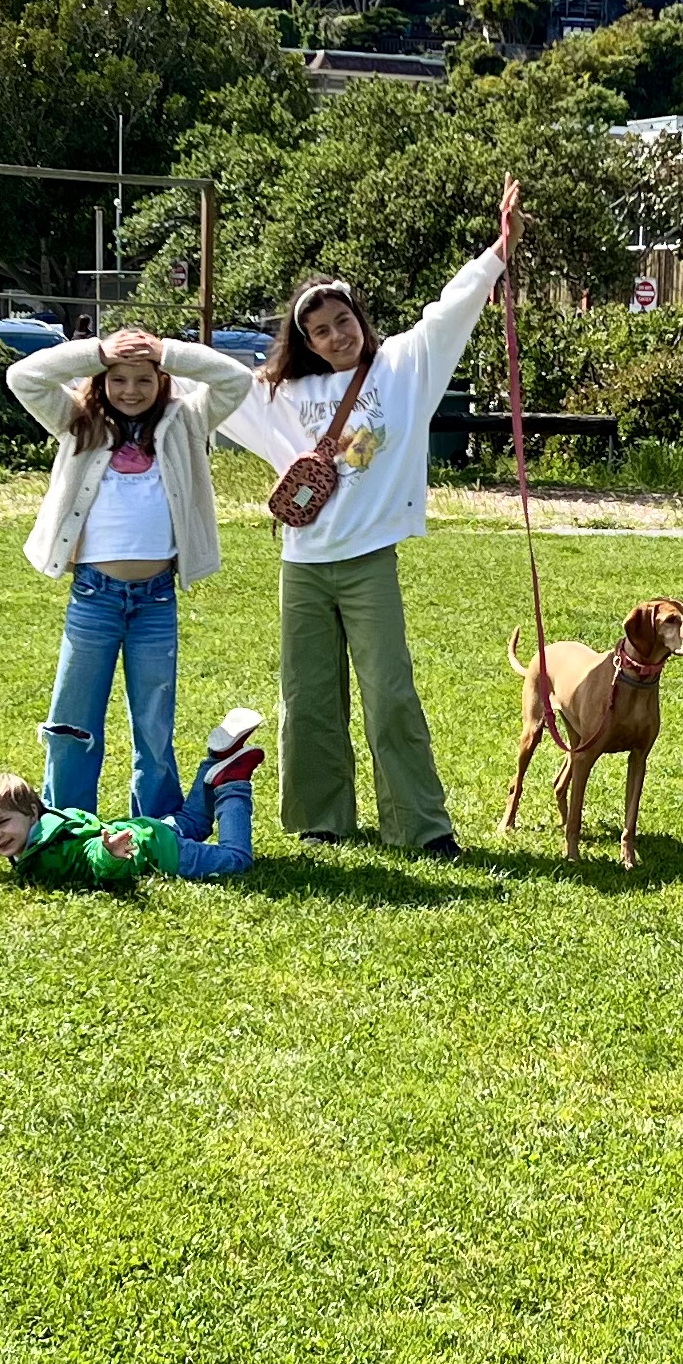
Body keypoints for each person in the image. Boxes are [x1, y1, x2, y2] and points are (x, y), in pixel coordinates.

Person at [220, 181, 523, 857]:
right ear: (305, 340)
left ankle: (421, 827)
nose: (336, 336)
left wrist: (499, 252)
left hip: (367, 563)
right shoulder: (286, 393)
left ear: (360, 315)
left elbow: (451, 310)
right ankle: (321, 818)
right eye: (321, 331)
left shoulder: (404, 366)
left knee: (389, 695)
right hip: (302, 566)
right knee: (308, 699)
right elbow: (211, 384)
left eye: (343, 321)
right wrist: (133, 354)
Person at [5, 323, 248, 820]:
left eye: (144, 379)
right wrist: (96, 351)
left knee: (154, 721)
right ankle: (66, 820)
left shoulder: (187, 421)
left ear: (163, 381)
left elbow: (235, 380)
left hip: (156, 600)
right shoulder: (77, 419)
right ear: (100, 380)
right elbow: (23, 377)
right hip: (94, 597)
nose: (130, 391)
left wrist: (168, 352)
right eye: (118, 378)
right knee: (73, 717)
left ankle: (156, 822)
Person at [0, 712, 268, 888]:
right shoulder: (44, 821)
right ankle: (218, 756)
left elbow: (90, 857)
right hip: (146, 829)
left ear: (31, 813)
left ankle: (232, 783)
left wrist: (111, 855)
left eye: (3, 823)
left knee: (237, 860)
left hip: (155, 851)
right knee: (192, 822)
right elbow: (20, 811)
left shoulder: (50, 851)